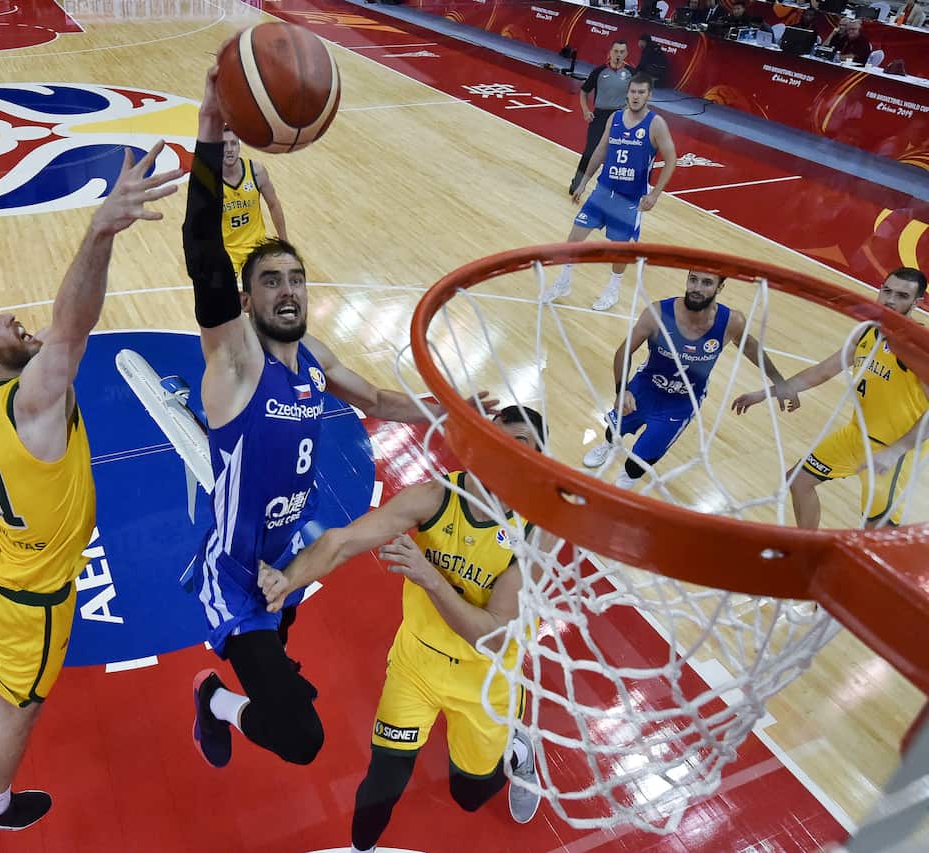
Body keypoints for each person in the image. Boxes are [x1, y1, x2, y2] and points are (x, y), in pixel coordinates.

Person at [181, 58, 491, 771]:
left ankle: (266, 670)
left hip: (284, 556)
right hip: (234, 575)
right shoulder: (236, 362)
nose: (287, 290)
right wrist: (208, 125)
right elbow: (204, 255)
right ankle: (213, 699)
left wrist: (453, 411)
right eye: (270, 282)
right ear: (248, 300)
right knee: (300, 736)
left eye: (295, 278)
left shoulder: (313, 355)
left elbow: (380, 401)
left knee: (284, 660)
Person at [0, 142, 183, 832]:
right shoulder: (31, 404)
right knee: (19, 707)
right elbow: (71, 327)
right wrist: (100, 230)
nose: (7, 316)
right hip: (32, 594)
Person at [259, 407, 552, 853]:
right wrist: (286, 580)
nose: (509, 455)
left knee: (469, 795)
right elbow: (343, 541)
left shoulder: (533, 533)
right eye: (503, 441)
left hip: (485, 677)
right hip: (416, 665)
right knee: (382, 782)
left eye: (524, 450)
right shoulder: (435, 498)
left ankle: (516, 746)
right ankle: (363, 849)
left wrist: (430, 578)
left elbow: (489, 635)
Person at [733, 267, 929, 528]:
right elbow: (822, 371)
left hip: (895, 449)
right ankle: (807, 551)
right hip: (855, 435)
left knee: (876, 529)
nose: (890, 300)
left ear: (918, 302)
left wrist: (895, 451)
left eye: (902, 296)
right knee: (798, 481)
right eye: (887, 291)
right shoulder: (866, 332)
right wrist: (765, 393)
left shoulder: (918, 347)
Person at [583, 270, 796, 489]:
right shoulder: (658, 312)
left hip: (682, 402)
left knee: (642, 459)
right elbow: (623, 351)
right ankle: (607, 445)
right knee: (614, 428)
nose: (696, 287)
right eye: (693, 279)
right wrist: (621, 390)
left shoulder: (731, 321)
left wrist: (779, 380)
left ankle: (625, 482)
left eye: (706, 283)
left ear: (720, 288)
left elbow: (751, 347)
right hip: (644, 388)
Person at [541, 74, 678, 312]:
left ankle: (613, 291)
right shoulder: (615, 118)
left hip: (629, 200)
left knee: (619, 250)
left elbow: (671, 159)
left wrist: (654, 194)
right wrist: (583, 182)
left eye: (641, 93)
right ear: (627, 93)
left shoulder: (656, 124)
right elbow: (600, 150)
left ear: (649, 96)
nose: (636, 96)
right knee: (574, 239)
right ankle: (563, 282)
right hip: (603, 191)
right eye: (633, 92)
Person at [569, 41, 635, 197]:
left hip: (620, 117)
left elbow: (639, 94)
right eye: (616, 51)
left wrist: (631, 109)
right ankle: (577, 182)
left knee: (618, 155)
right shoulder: (599, 71)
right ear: (610, 52)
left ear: (626, 54)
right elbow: (584, 91)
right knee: (590, 151)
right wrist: (586, 110)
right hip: (600, 116)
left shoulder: (632, 73)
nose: (618, 55)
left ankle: (613, 191)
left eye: (622, 52)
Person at [221, 126, 289, 273]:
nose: (229, 149)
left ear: (239, 146)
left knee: (267, 291)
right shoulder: (209, 180)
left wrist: (284, 242)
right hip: (227, 251)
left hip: (256, 247)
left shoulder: (256, 171)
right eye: (224, 145)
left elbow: (273, 205)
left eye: (233, 143)